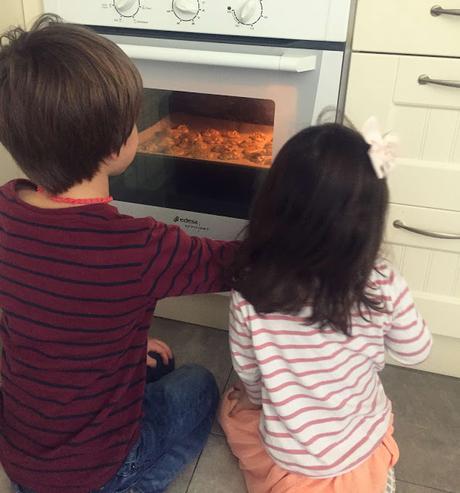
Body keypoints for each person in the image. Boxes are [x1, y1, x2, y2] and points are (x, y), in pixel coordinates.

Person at [0, 15, 237, 493]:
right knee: (199, 384)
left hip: (21, 459)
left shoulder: (6, 209)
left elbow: (54, 313)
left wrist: (127, 347)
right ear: (116, 147)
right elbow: (234, 264)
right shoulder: (138, 247)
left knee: (157, 365)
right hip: (98, 469)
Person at [219, 119, 432, 493]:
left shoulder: (251, 287)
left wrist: (251, 399)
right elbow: (415, 351)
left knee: (234, 411)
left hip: (291, 459)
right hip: (363, 442)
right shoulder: (381, 283)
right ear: (367, 222)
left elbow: (250, 375)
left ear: (273, 204)